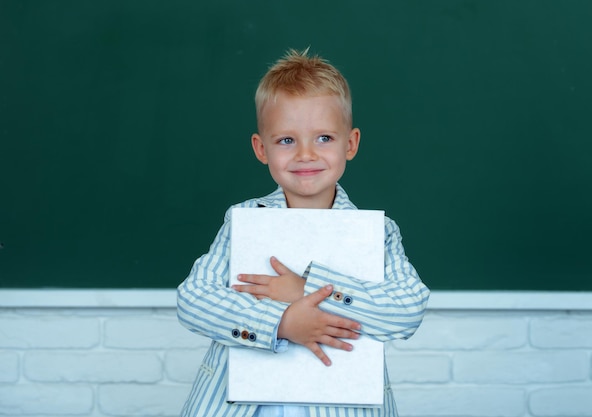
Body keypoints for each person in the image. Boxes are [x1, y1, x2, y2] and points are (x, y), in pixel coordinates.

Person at [177, 48, 430, 417]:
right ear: (261, 149)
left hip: (344, 406)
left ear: (351, 143)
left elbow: (406, 312)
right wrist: (281, 323)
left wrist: (308, 289)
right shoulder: (243, 220)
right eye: (286, 140)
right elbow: (194, 301)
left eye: (324, 138)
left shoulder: (377, 233)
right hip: (245, 406)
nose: (306, 154)